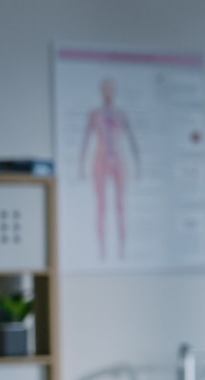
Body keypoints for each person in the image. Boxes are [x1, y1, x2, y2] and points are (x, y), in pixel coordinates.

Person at [79, 78, 140, 261]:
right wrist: (80, 165)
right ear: (101, 91)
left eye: (110, 89)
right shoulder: (94, 114)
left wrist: (138, 164)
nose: (108, 93)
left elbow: (131, 140)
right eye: (105, 89)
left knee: (120, 206)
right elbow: (85, 140)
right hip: (100, 159)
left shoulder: (121, 115)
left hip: (118, 159)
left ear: (114, 91)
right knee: (101, 206)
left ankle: (122, 250)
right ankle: (102, 251)